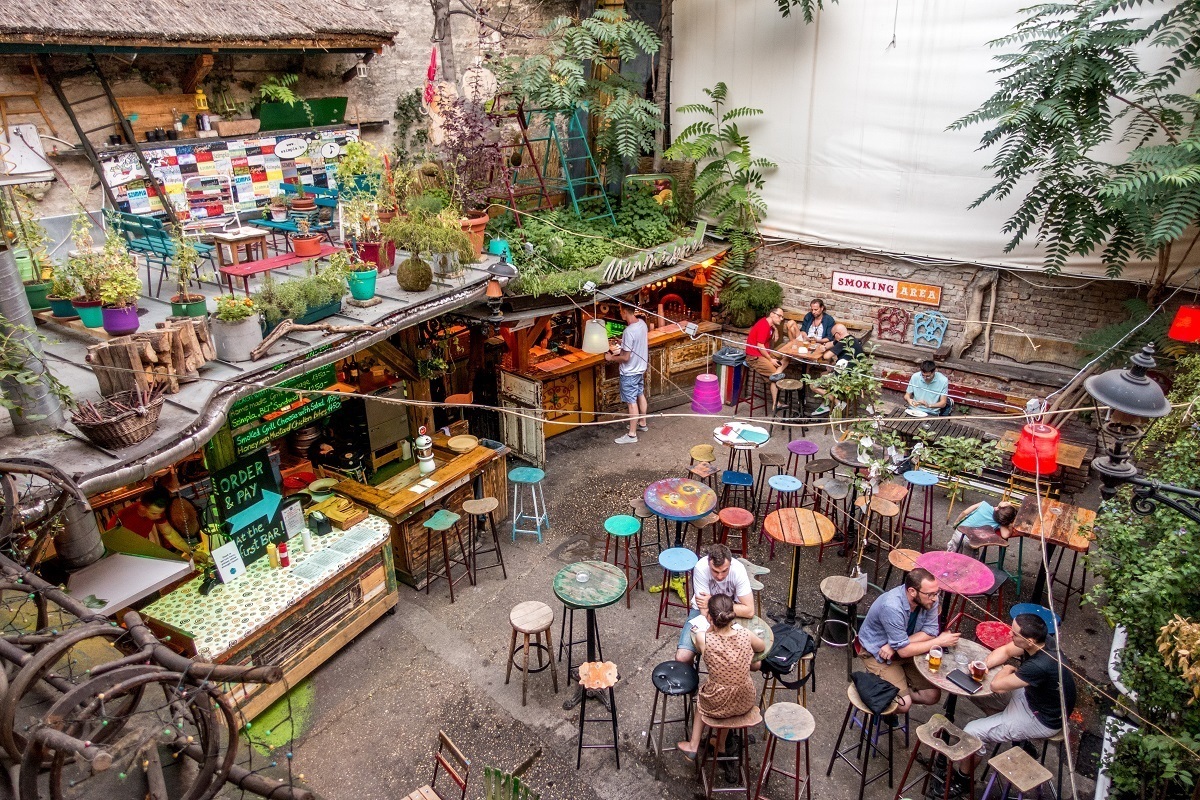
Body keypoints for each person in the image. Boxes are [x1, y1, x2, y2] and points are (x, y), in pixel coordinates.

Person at [961, 613, 1076, 773]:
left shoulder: (1040, 665)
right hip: (1032, 696)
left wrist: (1007, 669)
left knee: (971, 731)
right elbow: (1006, 651)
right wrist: (984, 665)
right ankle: (1013, 735)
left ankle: (962, 778)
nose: (1009, 634)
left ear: (1030, 641)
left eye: (1014, 634)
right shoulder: (1043, 641)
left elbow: (997, 686)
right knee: (973, 688)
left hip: (1041, 718)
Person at [676, 593, 766, 760]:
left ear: (710, 617)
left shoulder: (704, 639)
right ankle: (721, 743)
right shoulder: (746, 634)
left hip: (717, 701)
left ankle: (693, 745)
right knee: (731, 695)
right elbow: (761, 647)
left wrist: (711, 626)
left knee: (703, 702)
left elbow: (703, 637)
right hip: (744, 699)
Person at [856, 567, 959, 712]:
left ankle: (888, 694)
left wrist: (895, 645)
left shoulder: (929, 600)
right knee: (903, 704)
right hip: (877, 654)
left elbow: (930, 631)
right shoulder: (892, 607)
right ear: (912, 591)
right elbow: (905, 651)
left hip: (900, 650)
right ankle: (877, 697)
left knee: (932, 695)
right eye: (930, 594)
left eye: (937, 593)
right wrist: (939, 642)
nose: (935, 598)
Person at [675, 544, 756, 664]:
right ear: (708, 563)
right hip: (704, 614)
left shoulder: (738, 570)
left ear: (730, 564)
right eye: (715, 571)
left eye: (724, 571)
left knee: (754, 662)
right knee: (682, 657)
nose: (720, 576)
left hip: (731, 614)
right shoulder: (701, 568)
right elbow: (704, 611)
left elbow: (749, 611)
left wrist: (711, 600)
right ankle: (692, 677)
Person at [606, 305, 648, 445]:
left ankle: (632, 434)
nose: (620, 313)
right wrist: (622, 342)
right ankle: (642, 422)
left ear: (624, 312)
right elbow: (634, 344)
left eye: (620, 311)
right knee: (640, 394)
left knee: (631, 403)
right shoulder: (642, 324)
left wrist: (611, 358)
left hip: (629, 371)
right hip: (640, 368)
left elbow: (625, 357)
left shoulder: (628, 331)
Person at [112, 487, 195, 557]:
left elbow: (169, 534)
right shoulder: (122, 518)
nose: (158, 517)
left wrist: (191, 552)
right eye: (154, 513)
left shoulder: (156, 513)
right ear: (142, 508)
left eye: (160, 513)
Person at [810, 325, 865, 415]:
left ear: (838, 334)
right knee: (823, 374)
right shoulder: (851, 339)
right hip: (855, 375)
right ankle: (826, 404)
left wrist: (823, 350)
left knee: (813, 385)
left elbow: (826, 356)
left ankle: (838, 403)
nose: (833, 338)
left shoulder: (843, 342)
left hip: (846, 379)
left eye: (833, 335)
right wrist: (825, 346)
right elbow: (831, 344)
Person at [744, 306, 787, 411]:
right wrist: (770, 360)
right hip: (754, 356)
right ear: (772, 314)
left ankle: (777, 403)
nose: (781, 319)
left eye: (782, 317)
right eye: (780, 316)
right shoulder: (764, 326)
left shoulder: (769, 324)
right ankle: (776, 402)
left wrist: (776, 330)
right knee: (775, 375)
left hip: (762, 354)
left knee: (786, 358)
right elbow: (760, 346)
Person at [945, 500, 1018, 553]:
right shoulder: (1000, 521)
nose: (1009, 502)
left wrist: (956, 522)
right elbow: (1005, 535)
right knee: (968, 561)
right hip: (972, 541)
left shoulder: (984, 504)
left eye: (1007, 503)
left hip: (959, 532)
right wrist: (1010, 525)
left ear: (998, 508)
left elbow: (965, 512)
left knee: (952, 554)